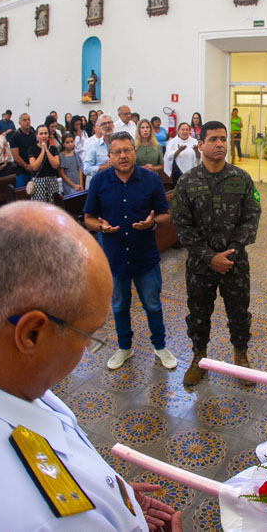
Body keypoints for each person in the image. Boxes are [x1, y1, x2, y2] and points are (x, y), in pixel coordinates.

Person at [0, 202, 182, 531]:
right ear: (32, 333)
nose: (87, 350)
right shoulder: (37, 518)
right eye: (88, 335)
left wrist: (109, 498)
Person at [170, 122, 262, 386]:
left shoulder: (241, 178)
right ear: (201, 145)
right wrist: (210, 256)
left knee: (239, 313)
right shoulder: (188, 181)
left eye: (223, 139)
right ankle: (199, 358)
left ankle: (241, 358)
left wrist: (229, 255)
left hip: (235, 264)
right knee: (198, 314)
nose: (220, 144)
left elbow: (252, 216)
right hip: (200, 265)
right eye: (213, 139)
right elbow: (181, 224)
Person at [84, 132, 176, 371]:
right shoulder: (99, 182)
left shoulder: (150, 180)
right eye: (117, 152)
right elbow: (89, 218)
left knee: (153, 305)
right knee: (119, 305)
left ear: (134, 151)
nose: (123, 156)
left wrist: (153, 224)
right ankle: (125, 347)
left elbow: (165, 215)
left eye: (127, 150)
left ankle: (160, 346)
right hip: (114, 257)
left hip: (145, 256)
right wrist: (101, 227)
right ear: (110, 155)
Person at [26, 126, 61, 204]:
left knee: (54, 205)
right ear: (36, 135)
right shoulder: (32, 149)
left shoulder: (53, 148)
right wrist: (42, 151)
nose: (44, 136)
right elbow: (34, 167)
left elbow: (56, 165)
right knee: (41, 207)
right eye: (41, 134)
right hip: (39, 182)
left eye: (45, 133)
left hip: (52, 180)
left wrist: (47, 150)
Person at [8, 113, 37, 189]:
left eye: (29, 119)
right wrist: (26, 166)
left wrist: (34, 165)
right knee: (22, 194)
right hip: (22, 171)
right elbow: (16, 156)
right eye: (24, 120)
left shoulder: (34, 134)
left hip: (35, 169)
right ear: (19, 123)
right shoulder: (15, 136)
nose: (27, 121)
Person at [83, 114, 115, 180]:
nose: (107, 125)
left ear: (113, 125)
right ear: (99, 128)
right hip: (102, 183)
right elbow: (86, 169)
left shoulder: (121, 143)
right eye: (104, 124)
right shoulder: (93, 146)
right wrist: (104, 167)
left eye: (109, 123)